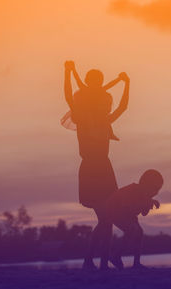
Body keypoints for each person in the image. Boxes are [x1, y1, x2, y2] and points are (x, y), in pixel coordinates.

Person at [63, 60, 130, 269]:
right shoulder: (82, 119)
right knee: (105, 217)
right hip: (91, 169)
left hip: (105, 168)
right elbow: (68, 96)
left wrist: (127, 84)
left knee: (106, 220)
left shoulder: (105, 121)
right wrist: (68, 73)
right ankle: (92, 262)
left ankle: (94, 262)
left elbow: (123, 106)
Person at [102, 169, 164, 270]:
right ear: (146, 185)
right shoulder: (133, 190)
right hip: (114, 209)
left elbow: (143, 213)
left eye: (158, 190)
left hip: (128, 214)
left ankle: (136, 263)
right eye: (155, 189)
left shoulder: (146, 196)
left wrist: (148, 203)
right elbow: (127, 206)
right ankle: (116, 255)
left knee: (139, 232)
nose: (156, 193)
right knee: (132, 229)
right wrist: (146, 203)